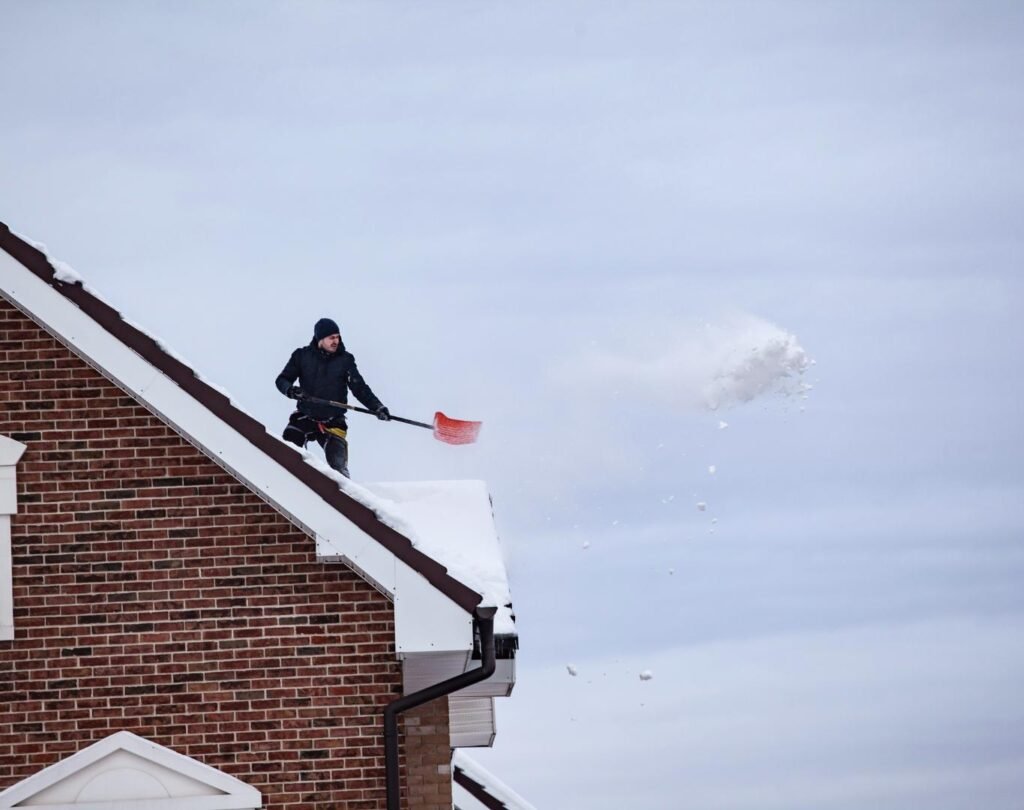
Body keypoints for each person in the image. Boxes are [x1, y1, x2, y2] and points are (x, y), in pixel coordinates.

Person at [275, 317, 390, 478]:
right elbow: (282, 380)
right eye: (331, 338)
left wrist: (377, 407)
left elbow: (360, 388)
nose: (336, 341)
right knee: (286, 453)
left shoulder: (346, 360)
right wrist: (291, 390)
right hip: (305, 417)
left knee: (340, 472)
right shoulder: (301, 356)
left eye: (338, 337)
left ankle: (346, 497)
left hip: (334, 421)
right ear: (320, 339)